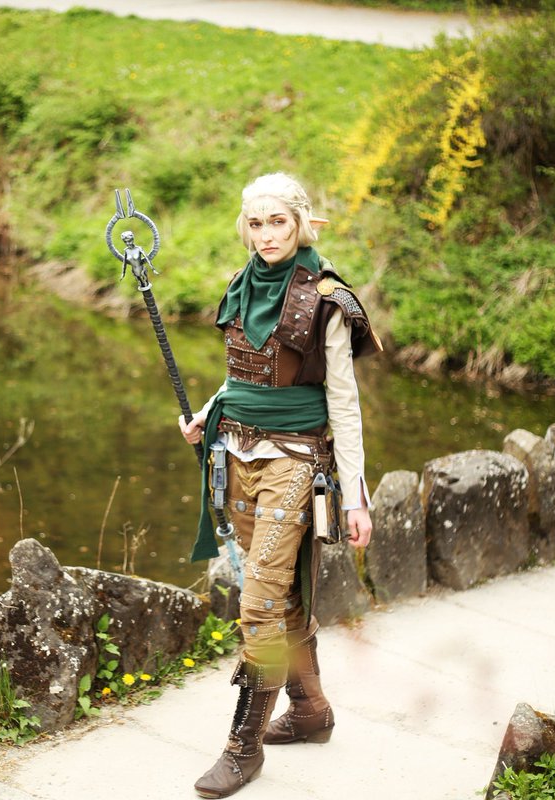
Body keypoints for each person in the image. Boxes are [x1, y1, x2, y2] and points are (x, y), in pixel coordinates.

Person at [178, 172, 381, 798]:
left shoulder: (328, 300)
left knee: (260, 603)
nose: (267, 234)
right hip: (236, 453)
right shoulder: (242, 283)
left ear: (301, 223)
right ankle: (311, 710)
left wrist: (356, 495)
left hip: (295, 460)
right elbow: (242, 375)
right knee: (278, 591)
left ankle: (243, 750)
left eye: (278, 222)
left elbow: (343, 403)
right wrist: (206, 413)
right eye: (256, 223)